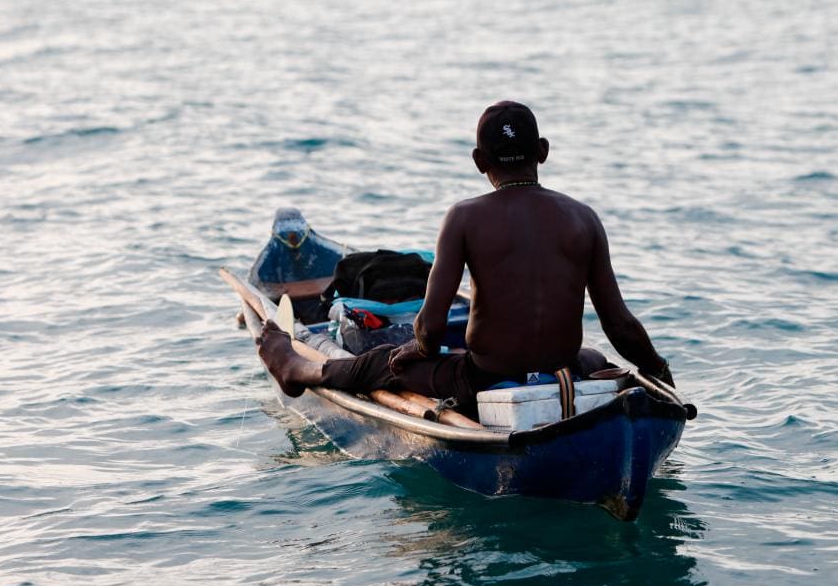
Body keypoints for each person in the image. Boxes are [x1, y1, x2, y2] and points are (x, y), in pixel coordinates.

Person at [257, 101, 674, 414]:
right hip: (561, 366)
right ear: (543, 151)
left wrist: (419, 349)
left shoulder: (465, 217)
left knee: (375, 364)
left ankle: (295, 368)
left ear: (479, 162)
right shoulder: (584, 218)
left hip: (481, 377)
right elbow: (619, 324)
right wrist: (657, 369)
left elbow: (432, 326)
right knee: (596, 360)